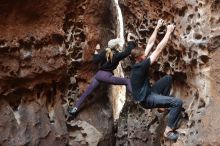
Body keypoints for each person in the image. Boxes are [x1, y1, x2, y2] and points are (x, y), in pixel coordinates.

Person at [130, 19, 183, 141]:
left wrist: (157, 27)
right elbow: (158, 49)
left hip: (149, 91)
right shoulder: (141, 65)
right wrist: (168, 32)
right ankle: (168, 131)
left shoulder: (138, 61)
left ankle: (162, 107)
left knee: (168, 78)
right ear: (140, 58)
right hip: (147, 100)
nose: (145, 55)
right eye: (144, 55)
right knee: (177, 103)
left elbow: (150, 43)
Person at [68, 34, 137, 116]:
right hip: (107, 76)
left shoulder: (105, 52)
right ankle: (137, 96)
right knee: (127, 81)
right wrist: (130, 42)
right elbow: (127, 52)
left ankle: (74, 109)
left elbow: (96, 60)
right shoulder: (117, 55)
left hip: (99, 75)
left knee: (86, 93)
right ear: (116, 47)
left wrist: (96, 51)